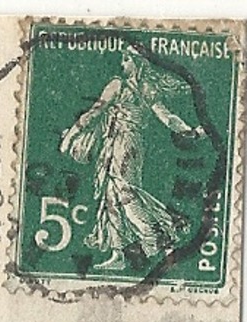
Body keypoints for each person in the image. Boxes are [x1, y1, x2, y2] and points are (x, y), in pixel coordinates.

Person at [59, 46, 204, 271]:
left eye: (126, 60)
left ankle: (157, 234)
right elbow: (168, 118)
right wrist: (190, 131)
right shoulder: (146, 88)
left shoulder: (118, 84)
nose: (122, 64)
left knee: (124, 191)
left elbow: (95, 112)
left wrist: (71, 136)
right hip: (128, 144)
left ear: (138, 62)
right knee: (111, 195)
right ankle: (119, 254)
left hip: (122, 143)